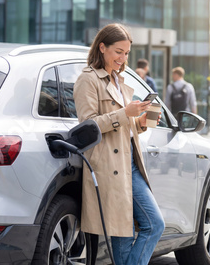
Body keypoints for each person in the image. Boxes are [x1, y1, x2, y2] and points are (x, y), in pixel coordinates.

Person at [73, 23, 164, 265]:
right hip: (108, 169)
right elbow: (88, 125)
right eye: (118, 52)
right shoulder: (88, 79)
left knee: (154, 224)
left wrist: (142, 121)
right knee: (123, 236)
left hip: (130, 165)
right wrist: (126, 113)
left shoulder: (119, 80)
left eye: (126, 53)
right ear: (102, 47)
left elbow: (126, 125)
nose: (122, 58)